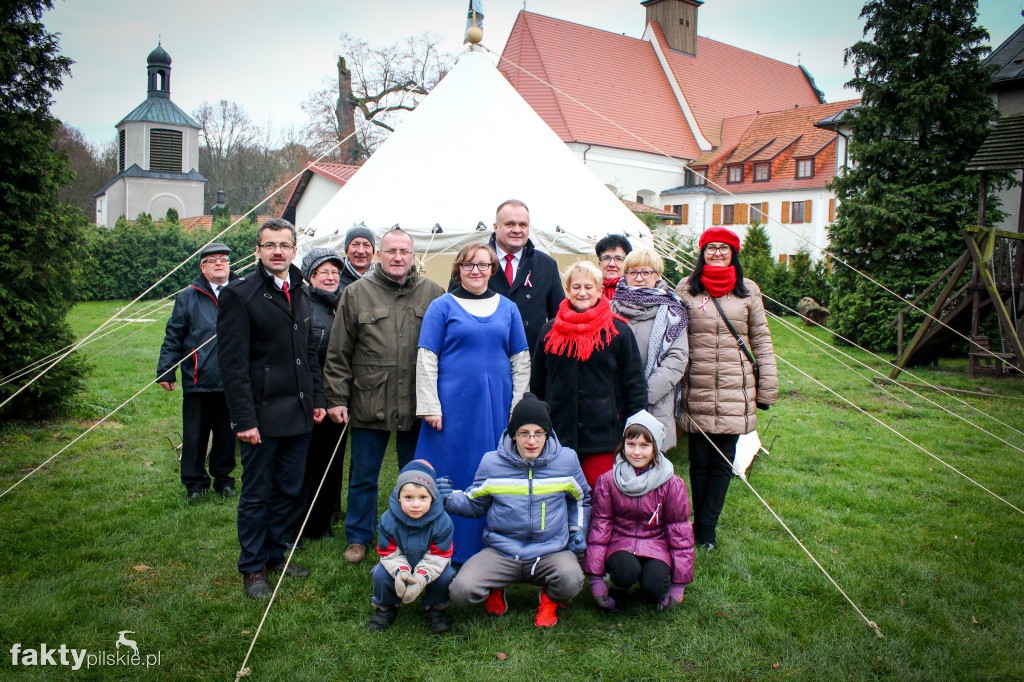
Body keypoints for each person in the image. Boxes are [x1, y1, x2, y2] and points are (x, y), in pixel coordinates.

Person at [217, 218, 326, 600]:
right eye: (270, 245)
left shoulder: (302, 291)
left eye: (284, 244)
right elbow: (232, 365)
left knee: (289, 489)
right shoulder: (240, 294)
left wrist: (317, 400)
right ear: (258, 251)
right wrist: (243, 420)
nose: (277, 251)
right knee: (258, 492)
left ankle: (275, 553)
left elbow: (308, 354)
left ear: (295, 249)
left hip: (298, 413)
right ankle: (252, 567)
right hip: (260, 416)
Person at [323, 228, 444, 565]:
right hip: (368, 400)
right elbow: (338, 352)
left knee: (417, 476)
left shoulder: (433, 293)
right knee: (363, 475)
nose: (397, 257)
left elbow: (445, 351)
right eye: (390, 251)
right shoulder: (356, 293)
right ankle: (358, 537)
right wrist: (336, 399)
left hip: (416, 402)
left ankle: (413, 536)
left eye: (404, 251)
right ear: (379, 255)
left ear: (414, 255)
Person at [416, 243, 530, 563]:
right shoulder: (442, 306)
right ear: (458, 269)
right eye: (468, 265)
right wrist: (430, 405)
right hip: (451, 409)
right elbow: (427, 357)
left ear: (493, 269)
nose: (475, 270)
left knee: (491, 472)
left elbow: (520, 359)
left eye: (482, 265)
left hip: (495, 407)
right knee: (452, 471)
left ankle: (492, 549)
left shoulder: (508, 308)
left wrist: (517, 407)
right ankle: (442, 547)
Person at [442, 393, 590, 628]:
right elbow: (475, 503)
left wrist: (577, 531)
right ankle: (495, 588)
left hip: (550, 550)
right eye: (524, 433)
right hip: (502, 550)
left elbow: (581, 500)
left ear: (547, 434)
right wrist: (448, 499)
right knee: (461, 591)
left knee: (571, 580)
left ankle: (550, 600)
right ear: (514, 435)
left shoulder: (567, 460)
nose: (532, 441)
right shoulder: (491, 463)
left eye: (538, 433)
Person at [674, 227, 778, 550]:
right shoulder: (687, 290)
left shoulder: (748, 291)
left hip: (736, 388)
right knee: (699, 460)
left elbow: (760, 339)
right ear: (702, 253)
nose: (717, 253)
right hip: (698, 386)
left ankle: (707, 530)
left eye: (724, 248)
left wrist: (767, 389)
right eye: (710, 248)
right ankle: (697, 524)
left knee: (722, 462)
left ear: (734, 253)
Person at [530, 260, 647, 487]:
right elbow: (538, 384)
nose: (582, 293)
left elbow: (634, 383)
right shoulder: (549, 330)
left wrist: (633, 428)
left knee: (601, 498)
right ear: (567, 290)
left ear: (599, 290)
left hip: (604, 435)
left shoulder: (618, 330)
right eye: (576, 287)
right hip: (559, 434)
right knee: (560, 498)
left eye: (588, 287)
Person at [585, 410, 694, 612]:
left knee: (655, 584)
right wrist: (595, 579)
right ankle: (619, 585)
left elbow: (680, 533)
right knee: (626, 571)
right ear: (623, 444)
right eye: (631, 444)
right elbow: (600, 527)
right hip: (620, 543)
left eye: (645, 445)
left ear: (655, 447)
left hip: (655, 544)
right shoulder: (608, 482)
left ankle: (650, 584)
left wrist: (679, 585)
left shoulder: (672, 484)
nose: (637, 452)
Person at [157, 242, 238, 502]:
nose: (218, 263)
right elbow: (175, 334)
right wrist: (166, 370)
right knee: (195, 436)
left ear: (229, 264)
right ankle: (194, 483)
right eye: (212, 260)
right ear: (202, 267)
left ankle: (224, 480)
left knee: (227, 435)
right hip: (198, 379)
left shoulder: (240, 292)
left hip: (232, 380)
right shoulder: (189, 296)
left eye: (223, 259)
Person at [290, 247, 348, 541]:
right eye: (323, 272)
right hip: (311, 398)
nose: (330, 277)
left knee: (331, 463)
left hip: (338, 397)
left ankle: (323, 522)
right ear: (310, 276)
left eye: (335, 272)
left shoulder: (342, 305)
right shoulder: (302, 305)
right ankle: (298, 525)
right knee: (305, 465)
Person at [611, 248, 689, 451]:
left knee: (651, 464)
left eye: (646, 272)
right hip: (614, 400)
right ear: (625, 275)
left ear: (657, 276)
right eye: (633, 272)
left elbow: (677, 358)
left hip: (655, 401)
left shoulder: (672, 311)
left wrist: (642, 395)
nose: (639, 278)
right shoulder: (609, 308)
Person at [369, 460, 455, 634]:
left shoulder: (443, 522)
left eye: (423, 498)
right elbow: (388, 553)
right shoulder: (388, 519)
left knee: (445, 576)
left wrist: (422, 577)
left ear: (432, 497)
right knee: (380, 574)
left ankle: (435, 608)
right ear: (398, 496)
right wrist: (401, 572)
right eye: (408, 498)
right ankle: (386, 607)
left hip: (432, 564)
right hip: (398, 562)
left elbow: (439, 556)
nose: (416, 504)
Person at [484, 199, 564, 352]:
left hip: (532, 358)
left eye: (523, 225)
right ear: (495, 227)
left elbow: (558, 319)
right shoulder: (473, 262)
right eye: (510, 224)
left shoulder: (547, 265)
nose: (517, 229)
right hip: (486, 356)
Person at [595, 233, 632, 301]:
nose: (612, 264)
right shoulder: (588, 291)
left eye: (618, 258)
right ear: (599, 263)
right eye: (606, 258)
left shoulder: (636, 292)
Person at [339, 224, 376, 290]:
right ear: (346, 249)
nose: (361, 251)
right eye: (355, 244)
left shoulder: (383, 278)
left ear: (373, 250)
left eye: (366, 245)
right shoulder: (334, 277)